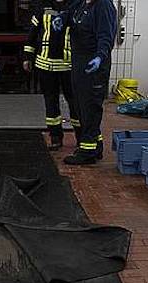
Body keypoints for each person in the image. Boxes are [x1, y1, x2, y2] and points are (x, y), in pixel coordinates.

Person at [52, 0, 117, 165]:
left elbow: (106, 36)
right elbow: (69, 14)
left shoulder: (103, 6)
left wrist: (100, 57)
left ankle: (87, 152)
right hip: (79, 63)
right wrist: (61, 19)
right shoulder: (81, 3)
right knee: (81, 107)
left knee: (90, 108)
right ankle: (96, 146)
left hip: (94, 65)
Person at [23, 0, 80, 150]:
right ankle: (55, 138)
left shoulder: (75, 5)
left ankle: (81, 137)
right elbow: (32, 33)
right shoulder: (42, 6)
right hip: (45, 65)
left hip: (69, 66)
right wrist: (27, 57)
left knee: (75, 103)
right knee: (51, 103)